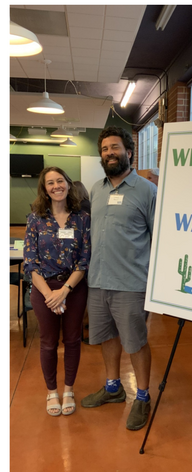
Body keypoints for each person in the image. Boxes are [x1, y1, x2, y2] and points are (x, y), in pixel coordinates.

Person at [80, 126, 157, 431]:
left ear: (129, 151)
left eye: (115, 147)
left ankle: (143, 395)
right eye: (104, 149)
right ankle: (113, 388)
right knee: (107, 338)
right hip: (98, 281)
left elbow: (159, 237)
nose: (109, 153)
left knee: (135, 342)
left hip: (132, 284)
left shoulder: (147, 191)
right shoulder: (96, 189)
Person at [23, 167, 90, 416]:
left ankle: (69, 389)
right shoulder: (35, 219)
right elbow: (31, 262)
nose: (56, 186)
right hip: (43, 290)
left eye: (60, 181)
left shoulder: (82, 219)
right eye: (50, 183)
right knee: (49, 343)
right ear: (45, 189)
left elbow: (84, 260)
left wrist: (64, 290)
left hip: (73, 287)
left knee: (73, 340)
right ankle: (52, 392)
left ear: (68, 184)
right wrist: (50, 294)